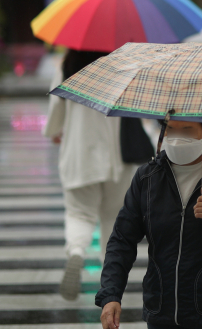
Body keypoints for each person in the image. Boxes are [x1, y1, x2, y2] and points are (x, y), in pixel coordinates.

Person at [96, 119, 202, 329]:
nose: (177, 138)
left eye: (187, 130)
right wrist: (111, 294)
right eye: (170, 129)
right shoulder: (147, 178)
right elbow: (122, 240)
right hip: (161, 314)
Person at [43, 49, 139, 301]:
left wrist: (53, 131)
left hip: (79, 155)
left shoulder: (68, 66)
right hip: (117, 157)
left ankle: (76, 251)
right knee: (113, 219)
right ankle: (110, 282)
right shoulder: (122, 64)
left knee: (79, 213)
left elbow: (56, 109)